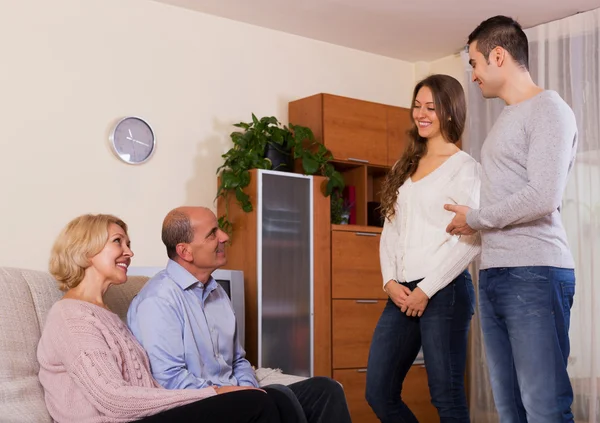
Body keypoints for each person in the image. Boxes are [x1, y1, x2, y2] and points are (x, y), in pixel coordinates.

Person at [445, 15, 578, 423]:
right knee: (509, 409)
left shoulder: (549, 109)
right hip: (497, 273)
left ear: (498, 55)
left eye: (475, 63)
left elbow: (543, 196)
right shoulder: (506, 119)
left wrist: (478, 218)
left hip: (534, 272)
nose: (472, 76)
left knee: (545, 408)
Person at [37, 213, 281, 423]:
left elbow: (146, 387)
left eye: (128, 243)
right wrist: (212, 393)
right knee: (253, 404)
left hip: (145, 418)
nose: (129, 252)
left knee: (277, 399)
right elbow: (113, 400)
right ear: (86, 249)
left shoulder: (105, 314)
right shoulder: (71, 317)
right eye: (117, 241)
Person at [127, 206, 352, 423]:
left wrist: (248, 389)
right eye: (212, 234)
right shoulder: (157, 301)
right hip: (198, 403)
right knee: (281, 402)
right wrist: (235, 395)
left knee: (325, 390)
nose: (224, 237)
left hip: (237, 396)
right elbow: (169, 379)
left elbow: (237, 360)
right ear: (185, 251)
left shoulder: (217, 293)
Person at [365, 74, 481, 423]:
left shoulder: (465, 168)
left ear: (450, 112)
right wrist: (389, 282)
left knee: (445, 396)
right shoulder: (406, 165)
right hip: (401, 293)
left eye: (431, 107)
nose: (422, 114)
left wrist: (426, 289)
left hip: (443, 292)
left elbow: (472, 239)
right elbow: (390, 229)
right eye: (417, 106)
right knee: (379, 392)